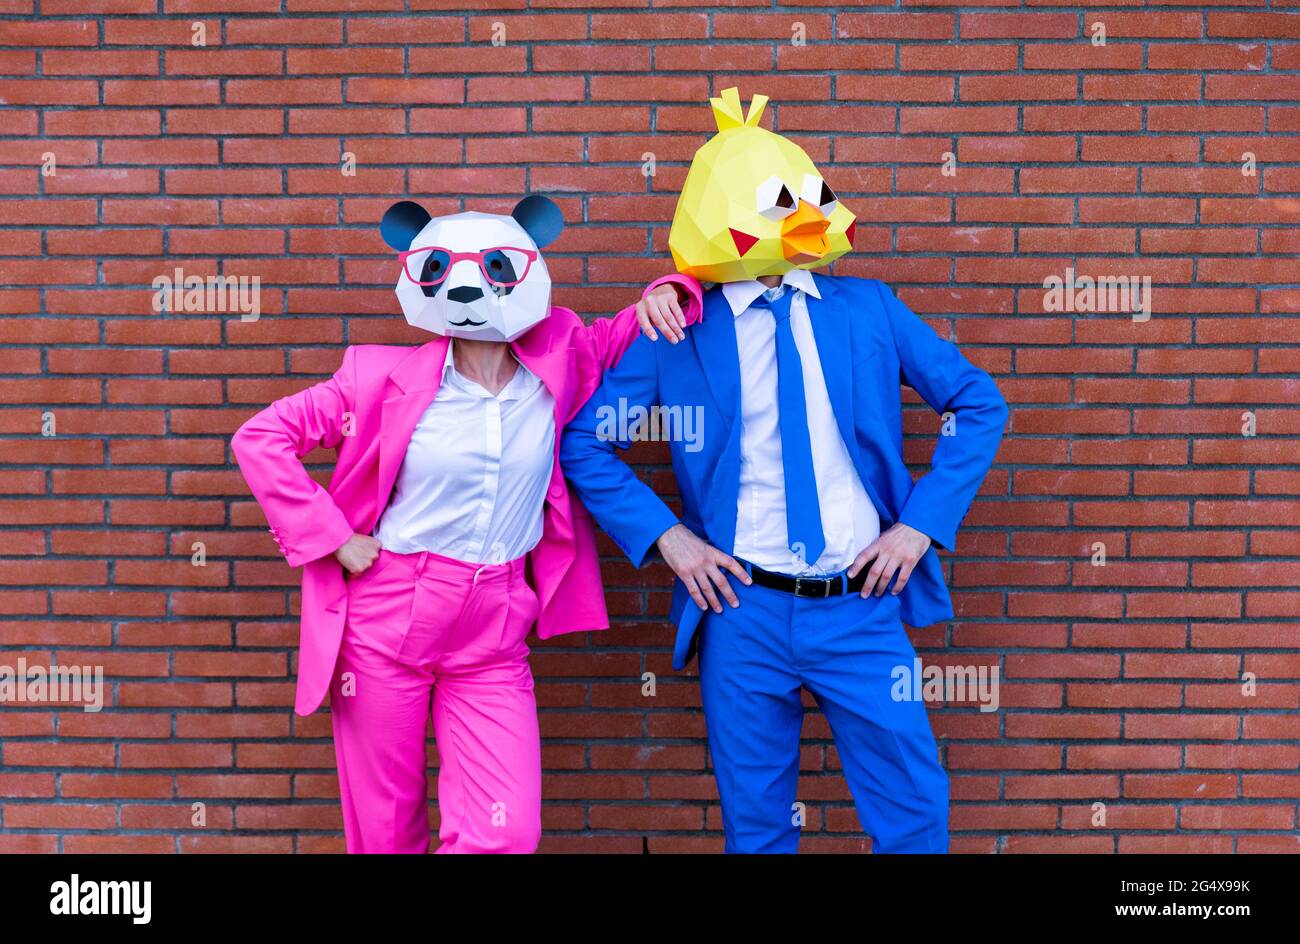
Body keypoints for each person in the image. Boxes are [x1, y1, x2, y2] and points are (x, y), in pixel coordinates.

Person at [560, 89, 1008, 853]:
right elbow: (585, 445)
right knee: (757, 826)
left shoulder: (869, 308)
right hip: (742, 609)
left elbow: (978, 403)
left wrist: (919, 527)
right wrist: (669, 539)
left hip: (863, 603)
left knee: (913, 810)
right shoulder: (678, 329)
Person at [232, 194, 697, 853]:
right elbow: (262, 438)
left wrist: (671, 289)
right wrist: (332, 538)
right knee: (387, 831)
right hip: (388, 612)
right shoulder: (376, 376)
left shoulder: (559, 361)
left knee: (506, 831)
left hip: (495, 621)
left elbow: (632, 325)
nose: (472, 286)